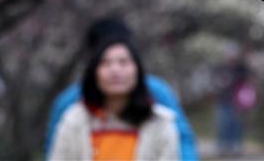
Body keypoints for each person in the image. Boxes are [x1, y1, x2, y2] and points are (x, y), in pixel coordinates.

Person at [46, 17, 199, 161]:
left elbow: (182, 140)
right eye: (105, 61)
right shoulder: (72, 112)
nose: (115, 70)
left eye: (123, 61)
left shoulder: (158, 100)